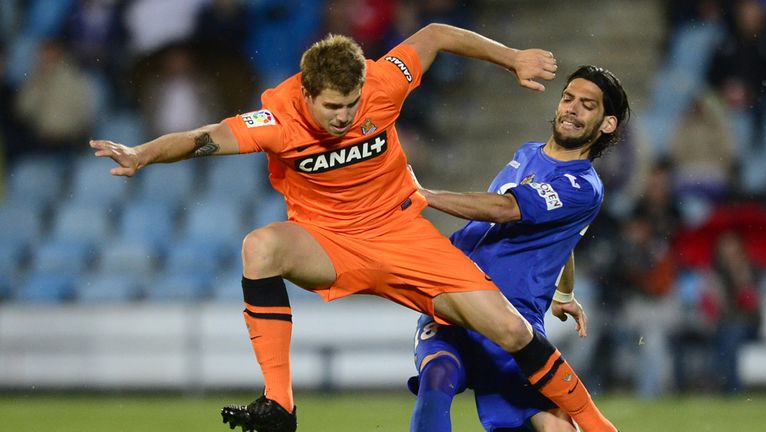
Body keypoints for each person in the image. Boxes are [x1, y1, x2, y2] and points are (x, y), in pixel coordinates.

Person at [90, 24, 616, 432]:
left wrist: (512, 59)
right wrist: (142, 154)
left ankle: (594, 423)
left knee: (513, 332)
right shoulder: (277, 121)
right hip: (332, 243)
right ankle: (279, 403)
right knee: (261, 247)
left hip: (403, 236)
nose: (345, 118)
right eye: (333, 108)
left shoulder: (382, 84)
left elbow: (435, 34)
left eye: (352, 105)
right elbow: (202, 137)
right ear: (307, 95)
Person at [407, 65, 630, 431]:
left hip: (511, 316)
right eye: (568, 98)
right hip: (454, 293)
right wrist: (565, 290)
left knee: (554, 424)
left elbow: (507, 209)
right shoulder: (527, 152)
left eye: (587, 105)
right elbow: (562, 236)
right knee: (437, 376)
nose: (572, 109)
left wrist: (425, 196)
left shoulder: (581, 185)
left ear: (607, 124)